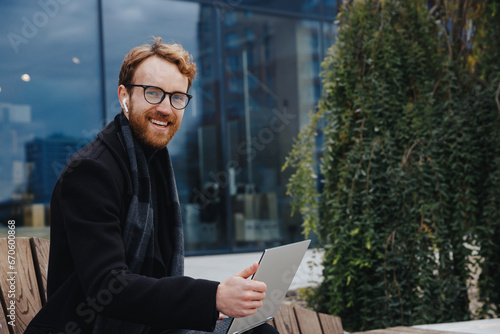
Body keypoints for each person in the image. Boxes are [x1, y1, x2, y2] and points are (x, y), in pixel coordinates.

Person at [25, 37, 279, 334]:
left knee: (257, 330)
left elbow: (157, 276)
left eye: (177, 97)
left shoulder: (155, 166)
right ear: (124, 96)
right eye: (153, 93)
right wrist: (214, 297)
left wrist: (221, 299)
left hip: (148, 326)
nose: (166, 108)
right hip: (87, 328)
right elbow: (108, 286)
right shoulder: (91, 171)